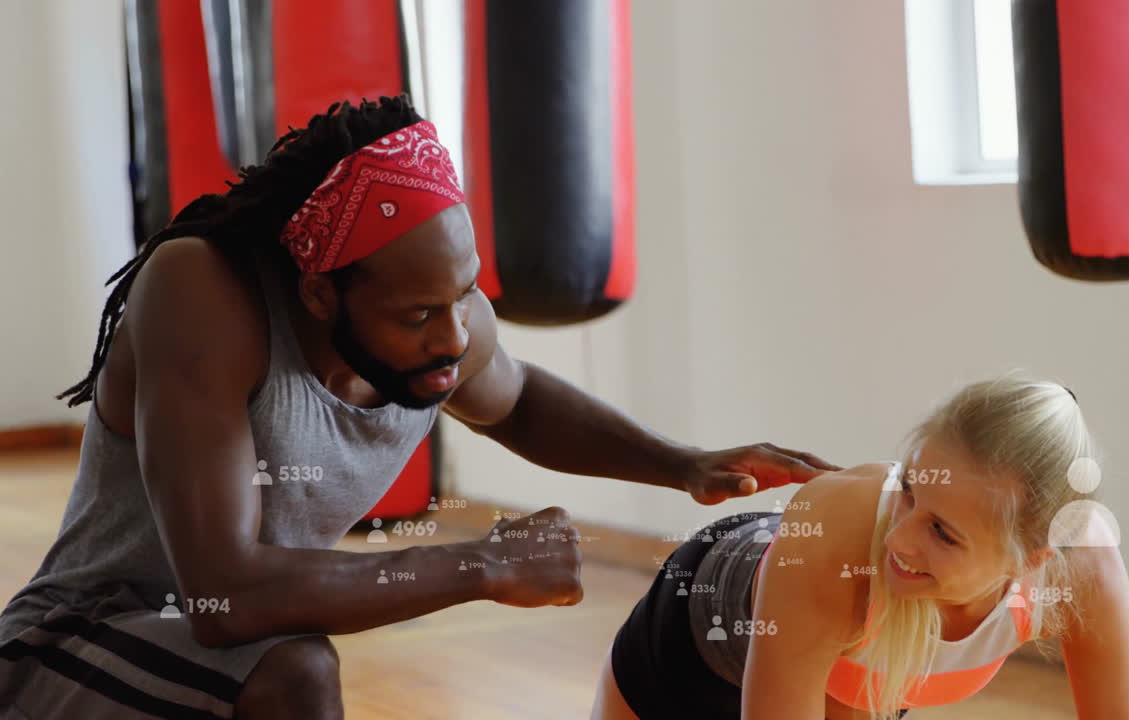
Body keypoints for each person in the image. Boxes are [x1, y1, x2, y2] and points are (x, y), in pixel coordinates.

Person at [0, 95, 839, 720]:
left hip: (194, 662)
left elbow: (517, 400)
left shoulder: (444, 315)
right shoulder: (203, 292)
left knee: (288, 664)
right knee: (294, 670)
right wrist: (483, 564)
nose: (456, 337)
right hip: (74, 642)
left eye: (465, 297)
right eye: (418, 316)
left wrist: (681, 463)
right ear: (323, 296)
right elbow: (224, 600)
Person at [593, 373, 1129, 720]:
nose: (899, 537)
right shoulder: (838, 537)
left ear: (1031, 558)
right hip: (700, 624)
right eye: (908, 493)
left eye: (942, 532)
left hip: (855, 664)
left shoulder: (1082, 565)